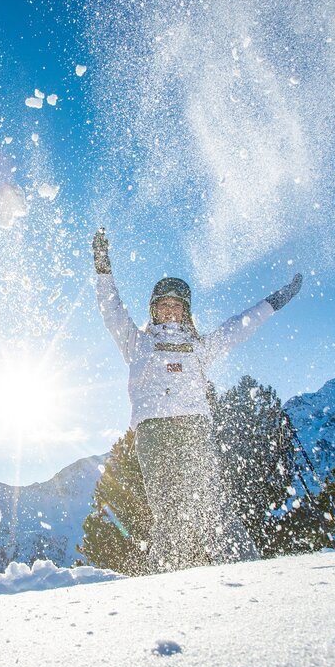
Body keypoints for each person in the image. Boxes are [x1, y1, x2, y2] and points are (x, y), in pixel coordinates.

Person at [91, 229, 302, 572]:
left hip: (193, 429)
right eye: (164, 305)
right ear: (154, 311)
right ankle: (169, 581)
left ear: (186, 312)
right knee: (168, 511)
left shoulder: (198, 348)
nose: (171, 311)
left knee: (212, 506)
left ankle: (248, 572)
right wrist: (102, 265)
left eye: (177, 305)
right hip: (154, 433)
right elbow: (110, 308)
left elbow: (237, 328)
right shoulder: (137, 343)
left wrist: (272, 303)